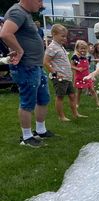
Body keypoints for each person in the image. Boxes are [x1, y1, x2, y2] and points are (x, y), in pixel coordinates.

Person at [0, 0, 55, 147]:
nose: (41, 4)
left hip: (35, 65)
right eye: (39, 0)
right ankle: (26, 136)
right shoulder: (16, 12)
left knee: (43, 98)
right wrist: (19, 50)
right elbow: (5, 33)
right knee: (28, 101)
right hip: (26, 66)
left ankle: (40, 130)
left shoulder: (26, 13)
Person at [44, 24, 87, 121]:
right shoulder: (52, 47)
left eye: (65, 36)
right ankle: (61, 116)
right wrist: (55, 73)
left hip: (66, 77)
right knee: (60, 97)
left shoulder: (60, 46)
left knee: (72, 95)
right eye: (62, 36)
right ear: (54, 34)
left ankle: (76, 114)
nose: (65, 38)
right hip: (60, 77)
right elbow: (46, 62)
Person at [71, 40, 99, 109]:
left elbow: (90, 61)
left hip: (87, 76)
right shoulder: (75, 57)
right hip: (80, 77)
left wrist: (96, 60)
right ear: (77, 49)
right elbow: (71, 65)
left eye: (85, 48)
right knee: (79, 91)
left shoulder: (87, 56)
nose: (83, 50)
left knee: (92, 90)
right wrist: (77, 69)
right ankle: (77, 103)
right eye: (81, 48)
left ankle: (98, 103)